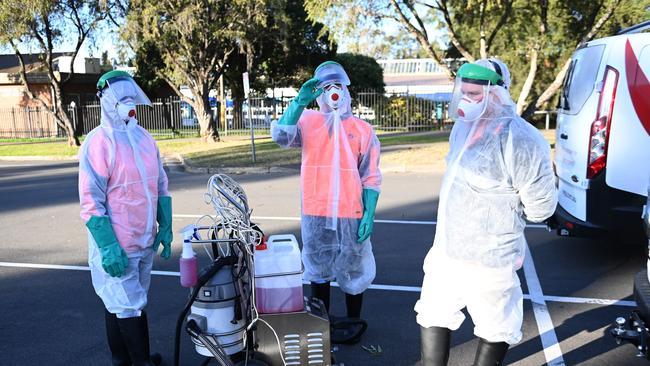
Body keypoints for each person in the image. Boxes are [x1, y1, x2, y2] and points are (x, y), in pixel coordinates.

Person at [414, 59, 558, 366]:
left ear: (498, 94)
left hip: (491, 260)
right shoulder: (462, 130)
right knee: (433, 312)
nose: (466, 100)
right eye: (463, 92)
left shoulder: (523, 140)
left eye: (475, 94)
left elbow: (541, 207)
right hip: (447, 253)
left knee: (496, 326)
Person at [271, 61, 382, 344]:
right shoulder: (308, 121)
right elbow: (281, 136)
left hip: (350, 211)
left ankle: (353, 322)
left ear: (346, 91)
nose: (334, 92)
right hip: (316, 211)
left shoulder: (362, 129)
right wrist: (298, 102)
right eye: (327, 87)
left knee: (353, 267)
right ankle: (322, 326)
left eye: (339, 86)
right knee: (318, 269)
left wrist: (368, 213)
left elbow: (370, 175)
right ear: (319, 93)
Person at [79, 70, 173, 366]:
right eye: (122, 99)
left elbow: (160, 184)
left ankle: (123, 359)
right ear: (106, 101)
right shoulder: (98, 144)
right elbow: (91, 201)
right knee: (128, 306)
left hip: (143, 238)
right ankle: (141, 362)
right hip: (117, 244)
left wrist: (166, 224)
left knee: (124, 304)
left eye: (131, 98)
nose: (128, 104)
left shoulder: (143, 137)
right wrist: (108, 246)